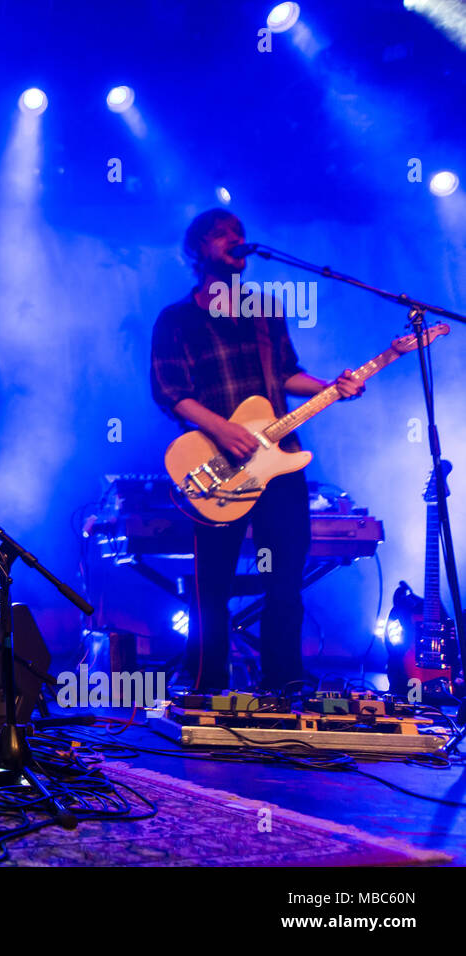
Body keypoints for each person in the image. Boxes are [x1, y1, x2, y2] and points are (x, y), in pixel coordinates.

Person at [150, 209, 365, 692]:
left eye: (240, 233)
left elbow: (285, 375)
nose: (236, 239)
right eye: (222, 235)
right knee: (213, 583)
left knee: (285, 577)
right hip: (216, 462)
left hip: (280, 462)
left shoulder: (265, 311)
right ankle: (206, 684)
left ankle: (284, 683)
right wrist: (223, 430)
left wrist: (330, 387)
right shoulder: (177, 320)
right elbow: (171, 391)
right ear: (196, 251)